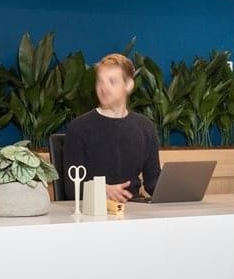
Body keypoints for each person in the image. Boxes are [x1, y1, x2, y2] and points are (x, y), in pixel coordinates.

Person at [61, 53, 160, 203]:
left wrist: (180, 190)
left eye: (112, 82)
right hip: (93, 213)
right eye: (100, 82)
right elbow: (71, 188)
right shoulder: (78, 128)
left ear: (128, 85)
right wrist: (103, 190)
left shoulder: (146, 127)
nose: (104, 88)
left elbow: (153, 183)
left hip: (135, 211)